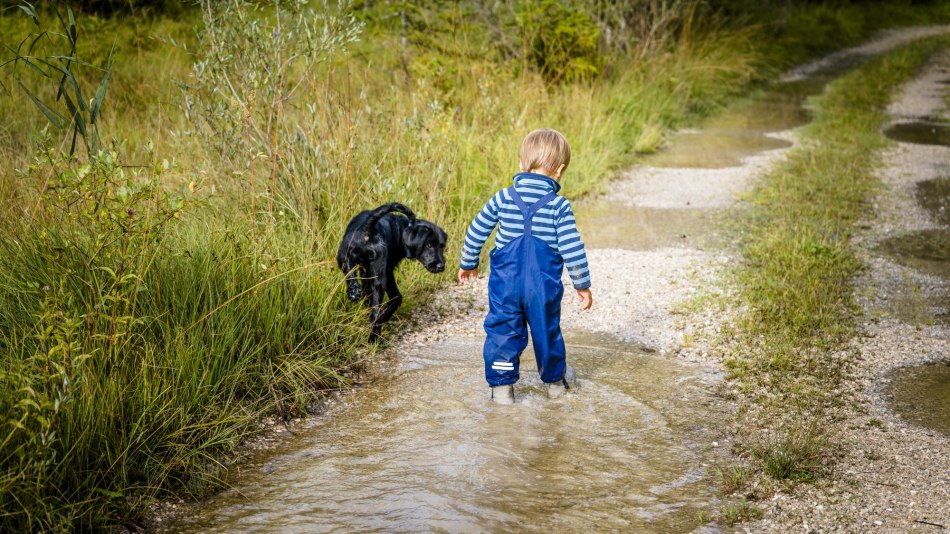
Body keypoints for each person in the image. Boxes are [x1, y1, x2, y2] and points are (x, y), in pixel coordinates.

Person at [458, 128, 593, 404]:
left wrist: (469, 262)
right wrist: (582, 283)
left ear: (522, 164)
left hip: (504, 286)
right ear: (560, 170)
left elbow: (476, 230)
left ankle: (502, 391)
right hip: (542, 288)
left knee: (502, 331)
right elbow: (572, 247)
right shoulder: (558, 206)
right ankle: (555, 385)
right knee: (547, 331)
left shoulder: (503, 197)